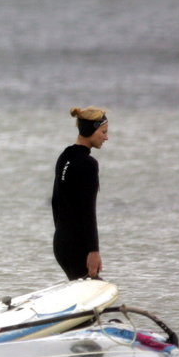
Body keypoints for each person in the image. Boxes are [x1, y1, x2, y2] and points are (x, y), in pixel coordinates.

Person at [51, 106, 109, 280]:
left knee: (83, 295)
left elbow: (56, 203)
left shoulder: (65, 156)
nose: (106, 137)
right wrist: (93, 251)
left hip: (62, 242)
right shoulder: (88, 164)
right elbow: (88, 211)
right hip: (78, 247)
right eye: (103, 132)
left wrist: (62, 234)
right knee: (94, 295)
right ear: (91, 130)